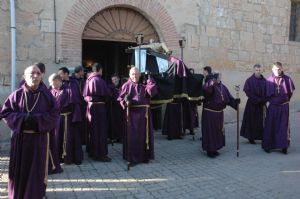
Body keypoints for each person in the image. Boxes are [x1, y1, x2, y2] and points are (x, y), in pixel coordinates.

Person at [0, 64, 59, 199]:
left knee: (36, 171)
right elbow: (6, 113)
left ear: (42, 75)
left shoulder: (48, 96)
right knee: (20, 170)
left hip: (39, 139)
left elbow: (55, 114)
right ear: (24, 76)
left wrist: (37, 121)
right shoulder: (17, 94)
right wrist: (24, 119)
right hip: (21, 139)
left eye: (38, 73)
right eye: (32, 73)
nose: (35, 76)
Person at [118, 67, 157, 166]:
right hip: (132, 116)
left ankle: (144, 156)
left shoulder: (144, 84)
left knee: (144, 136)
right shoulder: (126, 86)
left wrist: (149, 79)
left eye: (136, 74)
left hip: (145, 116)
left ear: (140, 74)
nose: (135, 76)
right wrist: (126, 101)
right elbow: (120, 99)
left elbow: (152, 92)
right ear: (129, 75)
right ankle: (132, 157)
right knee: (133, 137)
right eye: (132, 74)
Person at [201, 72, 240, 158]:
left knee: (218, 132)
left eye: (219, 77)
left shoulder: (223, 87)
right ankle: (210, 150)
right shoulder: (209, 85)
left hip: (219, 114)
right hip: (209, 114)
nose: (219, 79)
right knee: (210, 133)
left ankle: (215, 149)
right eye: (217, 77)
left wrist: (235, 103)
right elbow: (207, 91)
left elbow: (229, 98)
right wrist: (212, 81)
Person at [262, 62, 295, 154]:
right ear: (272, 69)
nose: (277, 71)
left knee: (283, 126)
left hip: (284, 107)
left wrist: (283, 101)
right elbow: (266, 95)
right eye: (275, 69)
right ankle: (268, 146)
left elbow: (290, 93)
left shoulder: (287, 79)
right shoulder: (269, 80)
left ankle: (283, 146)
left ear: (282, 69)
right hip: (272, 107)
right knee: (270, 125)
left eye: (279, 69)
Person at [83, 63, 112, 162]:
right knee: (100, 131)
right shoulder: (99, 80)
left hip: (90, 107)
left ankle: (92, 152)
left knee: (92, 130)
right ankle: (100, 154)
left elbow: (85, 95)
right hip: (99, 109)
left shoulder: (88, 80)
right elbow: (107, 95)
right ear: (100, 70)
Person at [57, 67, 83, 164]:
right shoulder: (59, 83)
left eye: (61, 74)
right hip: (61, 117)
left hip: (72, 115)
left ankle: (74, 157)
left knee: (73, 137)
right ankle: (61, 157)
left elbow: (77, 98)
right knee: (60, 137)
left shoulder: (74, 83)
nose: (59, 76)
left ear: (66, 74)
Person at [240, 64, 267, 144]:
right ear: (254, 70)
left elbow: (267, 91)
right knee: (251, 121)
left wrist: (264, 99)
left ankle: (262, 136)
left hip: (261, 104)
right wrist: (256, 99)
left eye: (259, 70)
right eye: (256, 70)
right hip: (252, 104)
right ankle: (251, 137)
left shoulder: (264, 80)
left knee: (261, 121)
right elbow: (247, 91)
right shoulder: (249, 80)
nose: (258, 72)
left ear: (261, 70)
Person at [47, 73, 66, 174]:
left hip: (59, 119)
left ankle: (55, 164)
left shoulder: (65, 91)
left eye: (52, 82)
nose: (50, 85)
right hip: (51, 121)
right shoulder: (50, 90)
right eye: (49, 82)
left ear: (58, 81)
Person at [108, 73, 125, 143]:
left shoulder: (122, 86)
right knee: (114, 123)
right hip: (113, 108)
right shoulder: (110, 87)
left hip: (121, 108)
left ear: (118, 79)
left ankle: (120, 137)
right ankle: (114, 137)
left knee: (121, 123)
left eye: (115, 79)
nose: (114, 81)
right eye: (113, 80)